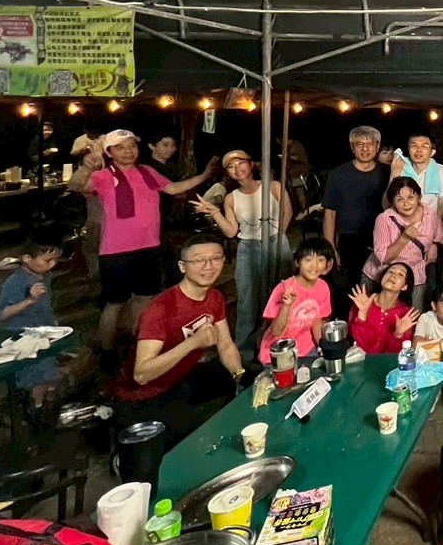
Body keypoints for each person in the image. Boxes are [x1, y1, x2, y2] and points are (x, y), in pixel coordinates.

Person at [70, 130, 215, 362]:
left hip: (149, 247)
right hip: (115, 251)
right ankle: (107, 352)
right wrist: (88, 165)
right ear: (109, 153)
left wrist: (204, 175)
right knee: (114, 304)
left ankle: (136, 344)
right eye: (120, 147)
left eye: (131, 146)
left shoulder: (147, 172)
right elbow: (76, 185)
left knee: (144, 299)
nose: (128, 151)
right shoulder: (104, 176)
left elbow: (173, 188)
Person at [113, 233, 246, 447]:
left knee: (248, 376)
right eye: (199, 260)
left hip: (179, 379)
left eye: (215, 258)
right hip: (141, 397)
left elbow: (226, 346)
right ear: (182, 267)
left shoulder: (214, 297)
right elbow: (142, 374)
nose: (209, 266)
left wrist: (239, 377)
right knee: (196, 440)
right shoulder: (161, 308)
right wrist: (193, 342)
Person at [191, 149, 292, 358]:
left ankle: (281, 343)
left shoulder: (273, 187)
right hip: (248, 247)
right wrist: (215, 212)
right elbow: (231, 231)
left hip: (275, 242)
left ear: (251, 164)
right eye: (231, 166)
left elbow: (287, 212)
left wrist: (278, 236)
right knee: (248, 300)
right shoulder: (231, 198)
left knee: (282, 294)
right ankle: (245, 353)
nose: (237, 169)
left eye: (241, 163)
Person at [0, 227, 66, 406]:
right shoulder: (15, 282)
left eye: (55, 260)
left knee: (49, 376)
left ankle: (41, 406)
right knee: (37, 378)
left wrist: (52, 322)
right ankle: (34, 408)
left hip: (42, 335)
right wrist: (29, 300)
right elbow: (0, 315)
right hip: (19, 338)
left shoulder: (43, 277)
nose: (52, 265)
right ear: (26, 258)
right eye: (47, 260)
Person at [322, 126, 391, 310]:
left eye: (370, 144)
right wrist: (331, 249)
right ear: (352, 147)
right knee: (349, 291)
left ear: (378, 146)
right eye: (359, 144)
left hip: (381, 240)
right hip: (348, 241)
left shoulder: (387, 173)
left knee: (380, 290)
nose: (365, 148)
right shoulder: (338, 174)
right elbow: (329, 214)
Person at [362, 175, 443, 308]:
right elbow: (384, 258)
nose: (406, 204)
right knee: (369, 314)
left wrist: (436, 245)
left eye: (411, 197)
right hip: (382, 276)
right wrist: (404, 238)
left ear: (419, 197)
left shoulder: (430, 215)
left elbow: (442, 235)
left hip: (415, 276)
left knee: (414, 316)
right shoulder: (385, 219)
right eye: (400, 199)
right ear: (393, 202)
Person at [258, 238, 334, 365]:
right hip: (277, 352)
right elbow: (276, 332)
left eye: (320, 260)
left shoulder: (323, 287)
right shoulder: (284, 289)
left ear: (327, 265)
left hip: (307, 351)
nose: (314, 265)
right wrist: (287, 305)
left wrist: (323, 348)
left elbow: (317, 321)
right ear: (297, 262)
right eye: (308, 260)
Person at [348, 262, 419, 355]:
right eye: (390, 271)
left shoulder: (405, 314)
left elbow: (396, 356)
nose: (393, 275)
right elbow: (360, 349)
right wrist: (362, 315)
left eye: (400, 274)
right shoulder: (363, 302)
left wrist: (398, 335)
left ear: (404, 286)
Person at [391, 133, 443, 220]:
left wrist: (438, 225)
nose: (418, 150)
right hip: (403, 223)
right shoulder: (400, 166)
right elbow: (387, 205)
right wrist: (393, 176)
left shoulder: (440, 170)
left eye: (424, 146)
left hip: (430, 222)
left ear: (432, 152)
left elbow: (441, 204)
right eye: (414, 146)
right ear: (408, 150)